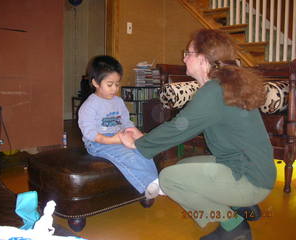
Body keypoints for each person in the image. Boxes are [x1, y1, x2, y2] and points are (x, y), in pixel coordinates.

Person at [119, 29, 276, 240]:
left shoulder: (214, 91)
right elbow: (183, 125)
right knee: (183, 168)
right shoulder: (224, 86)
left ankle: (234, 227)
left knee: (169, 180)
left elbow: (179, 127)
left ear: (203, 59)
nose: (184, 57)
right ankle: (242, 206)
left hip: (250, 179)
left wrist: (138, 144)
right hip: (253, 170)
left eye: (188, 53)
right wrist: (144, 137)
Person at [78, 55, 163, 200]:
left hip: (120, 138)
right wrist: (113, 140)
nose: (114, 89)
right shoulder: (89, 105)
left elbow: (125, 121)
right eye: (109, 84)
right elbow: (90, 133)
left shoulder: (118, 101)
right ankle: (150, 184)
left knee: (142, 151)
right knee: (127, 155)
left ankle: (155, 182)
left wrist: (133, 132)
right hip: (98, 143)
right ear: (95, 83)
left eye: (117, 84)